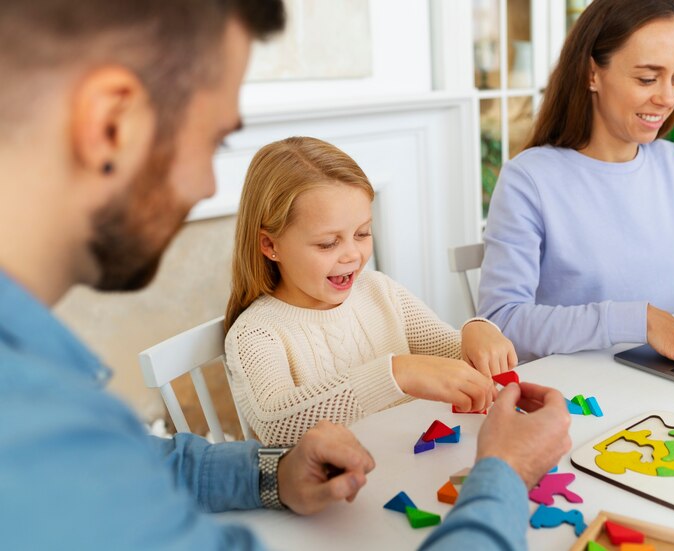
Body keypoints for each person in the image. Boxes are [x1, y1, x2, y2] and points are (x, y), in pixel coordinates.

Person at [0, 1, 571, 549]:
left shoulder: (62, 405)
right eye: (211, 140)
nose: (206, 187)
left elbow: (156, 461)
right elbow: (276, 420)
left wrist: (473, 331)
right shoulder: (43, 433)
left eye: (361, 234)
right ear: (110, 122)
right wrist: (502, 472)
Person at [478, 0, 674, 373]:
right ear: (592, 74)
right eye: (647, 78)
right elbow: (503, 321)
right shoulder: (529, 179)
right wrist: (641, 320)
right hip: (572, 394)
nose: (667, 97)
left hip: (662, 378)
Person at [224, 137, 517, 445]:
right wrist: (396, 373)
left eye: (362, 233)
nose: (352, 254)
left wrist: (477, 331)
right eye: (328, 243)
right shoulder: (256, 333)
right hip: (343, 487)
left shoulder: (379, 290)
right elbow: (278, 426)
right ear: (270, 245)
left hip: (411, 464)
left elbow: (450, 355)